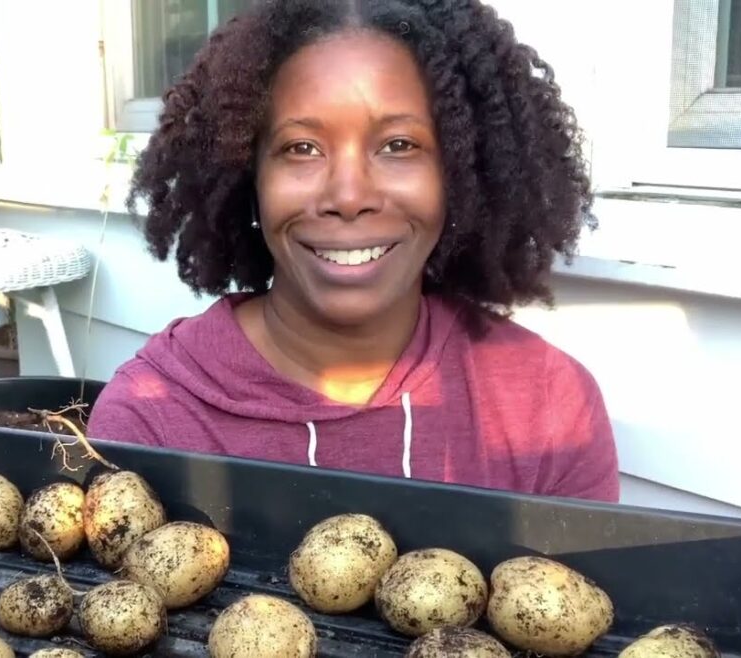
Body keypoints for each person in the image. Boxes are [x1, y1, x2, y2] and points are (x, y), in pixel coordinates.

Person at [86, 0, 620, 502]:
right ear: (249, 176)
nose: (348, 196)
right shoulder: (151, 420)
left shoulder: (548, 407)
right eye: (302, 149)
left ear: (459, 172)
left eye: (399, 146)